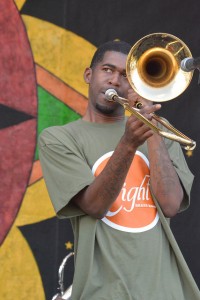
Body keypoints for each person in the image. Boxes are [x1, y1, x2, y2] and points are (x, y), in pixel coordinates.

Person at [38, 40, 200, 300]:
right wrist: (128, 143)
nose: (115, 80)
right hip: (101, 292)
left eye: (126, 75)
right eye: (107, 70)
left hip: (165, 290)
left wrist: (152, 129)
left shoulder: (160, 129)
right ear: (89, 75)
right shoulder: (58, 138)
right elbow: (94, 205)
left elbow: (170, 204)